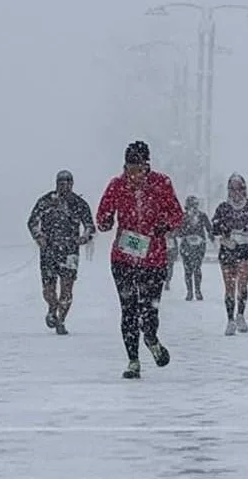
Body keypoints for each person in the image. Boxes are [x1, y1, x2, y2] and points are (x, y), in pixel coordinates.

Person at [96, 141, 184, 379]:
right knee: (129, 310)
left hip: (154, 257)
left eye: (138, 170)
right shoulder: (117, 185)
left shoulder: (161, 184)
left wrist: (164, 225)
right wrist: (104, 221)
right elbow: (102, 217)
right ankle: (133, 360)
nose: (133, 176)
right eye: (129, 169)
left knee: (150, 310)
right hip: (124, 257)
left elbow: (177, 215)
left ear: (147, 167)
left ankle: (151, 338)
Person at [27, 170, 96, 335]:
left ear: (72, 184)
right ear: (56, 183)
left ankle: (61, 320)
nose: (64, 186)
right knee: (48, 289)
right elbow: (32, 221)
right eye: (61, 182)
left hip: (70, 251)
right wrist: (39, 236)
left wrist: (84, 237)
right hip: (49, 250)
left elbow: (89, 225)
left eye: (68, 182)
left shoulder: (79, 203)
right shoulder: (46, 201)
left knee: (67, 288)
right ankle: (52, 306)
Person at [211, 173, 248, 336]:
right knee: (229, 286)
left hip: (246, 250)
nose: (236, 193)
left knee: (242, 283)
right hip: (228, 250)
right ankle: (230, 320)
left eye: (239, 189)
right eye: (232, 189)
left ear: (244, 190)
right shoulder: (222, 208)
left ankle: (240, 315)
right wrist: (225, 232)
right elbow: (214, 227)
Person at [176, 195, 214, 301]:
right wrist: (183, 233)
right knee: (188, 269)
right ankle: (189, 292)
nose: (193, 208)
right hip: (186, 245)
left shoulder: (202, 216)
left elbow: (209, 228)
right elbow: (179, 231)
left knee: (197, 268)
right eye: (191, 205)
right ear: (187, 206)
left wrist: (211, 236)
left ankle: (197, 290)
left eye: (195, 205)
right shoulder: (183, 217)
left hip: (199, 245)